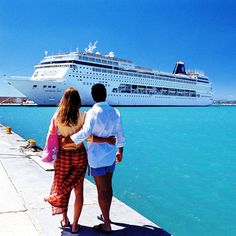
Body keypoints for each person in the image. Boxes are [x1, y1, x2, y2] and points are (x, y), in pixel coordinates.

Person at [44, 88, 115, 234]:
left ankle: (65, 219)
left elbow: (52, 134)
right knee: (78, 190)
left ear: (64, 99)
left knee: (64, 187)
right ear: (78, 100)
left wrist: (61, 141)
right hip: (79, 155)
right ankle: (75, 225)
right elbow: (88, 137)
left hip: (63, 156)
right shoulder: (83, 115)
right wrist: (106, 140)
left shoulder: (57, 115)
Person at [68, 83, 125, 233]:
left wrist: (71, 139)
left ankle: (106, 224)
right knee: (108, 186)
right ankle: (107, 216)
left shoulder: (92, 112)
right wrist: (120, 151)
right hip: (110, 155)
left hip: (96, 158)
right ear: (105, 95)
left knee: (101, 190)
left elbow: (86, 133)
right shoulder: (115, 112)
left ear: (93, 96)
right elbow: (120, 133)